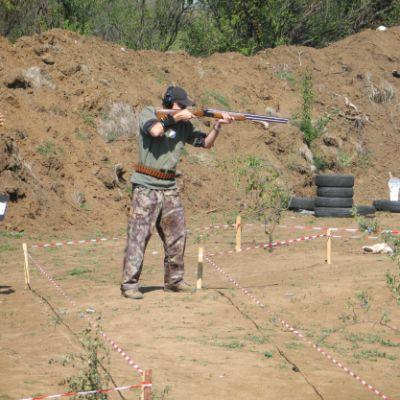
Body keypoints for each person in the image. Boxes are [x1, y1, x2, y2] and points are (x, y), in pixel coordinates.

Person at [121, 86, 233, 299]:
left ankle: (174, 281)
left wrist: (217, 126)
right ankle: (129, 284)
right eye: (180, 105)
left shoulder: (185, 126)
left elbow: (205, 144)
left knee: (177, 236)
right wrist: (174, 118)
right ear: (169, 102)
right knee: (139, 236)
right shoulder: (150, 113)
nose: (184, 109)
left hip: (169, 186)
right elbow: (155, 131)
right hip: (146, 185)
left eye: (185, 106)